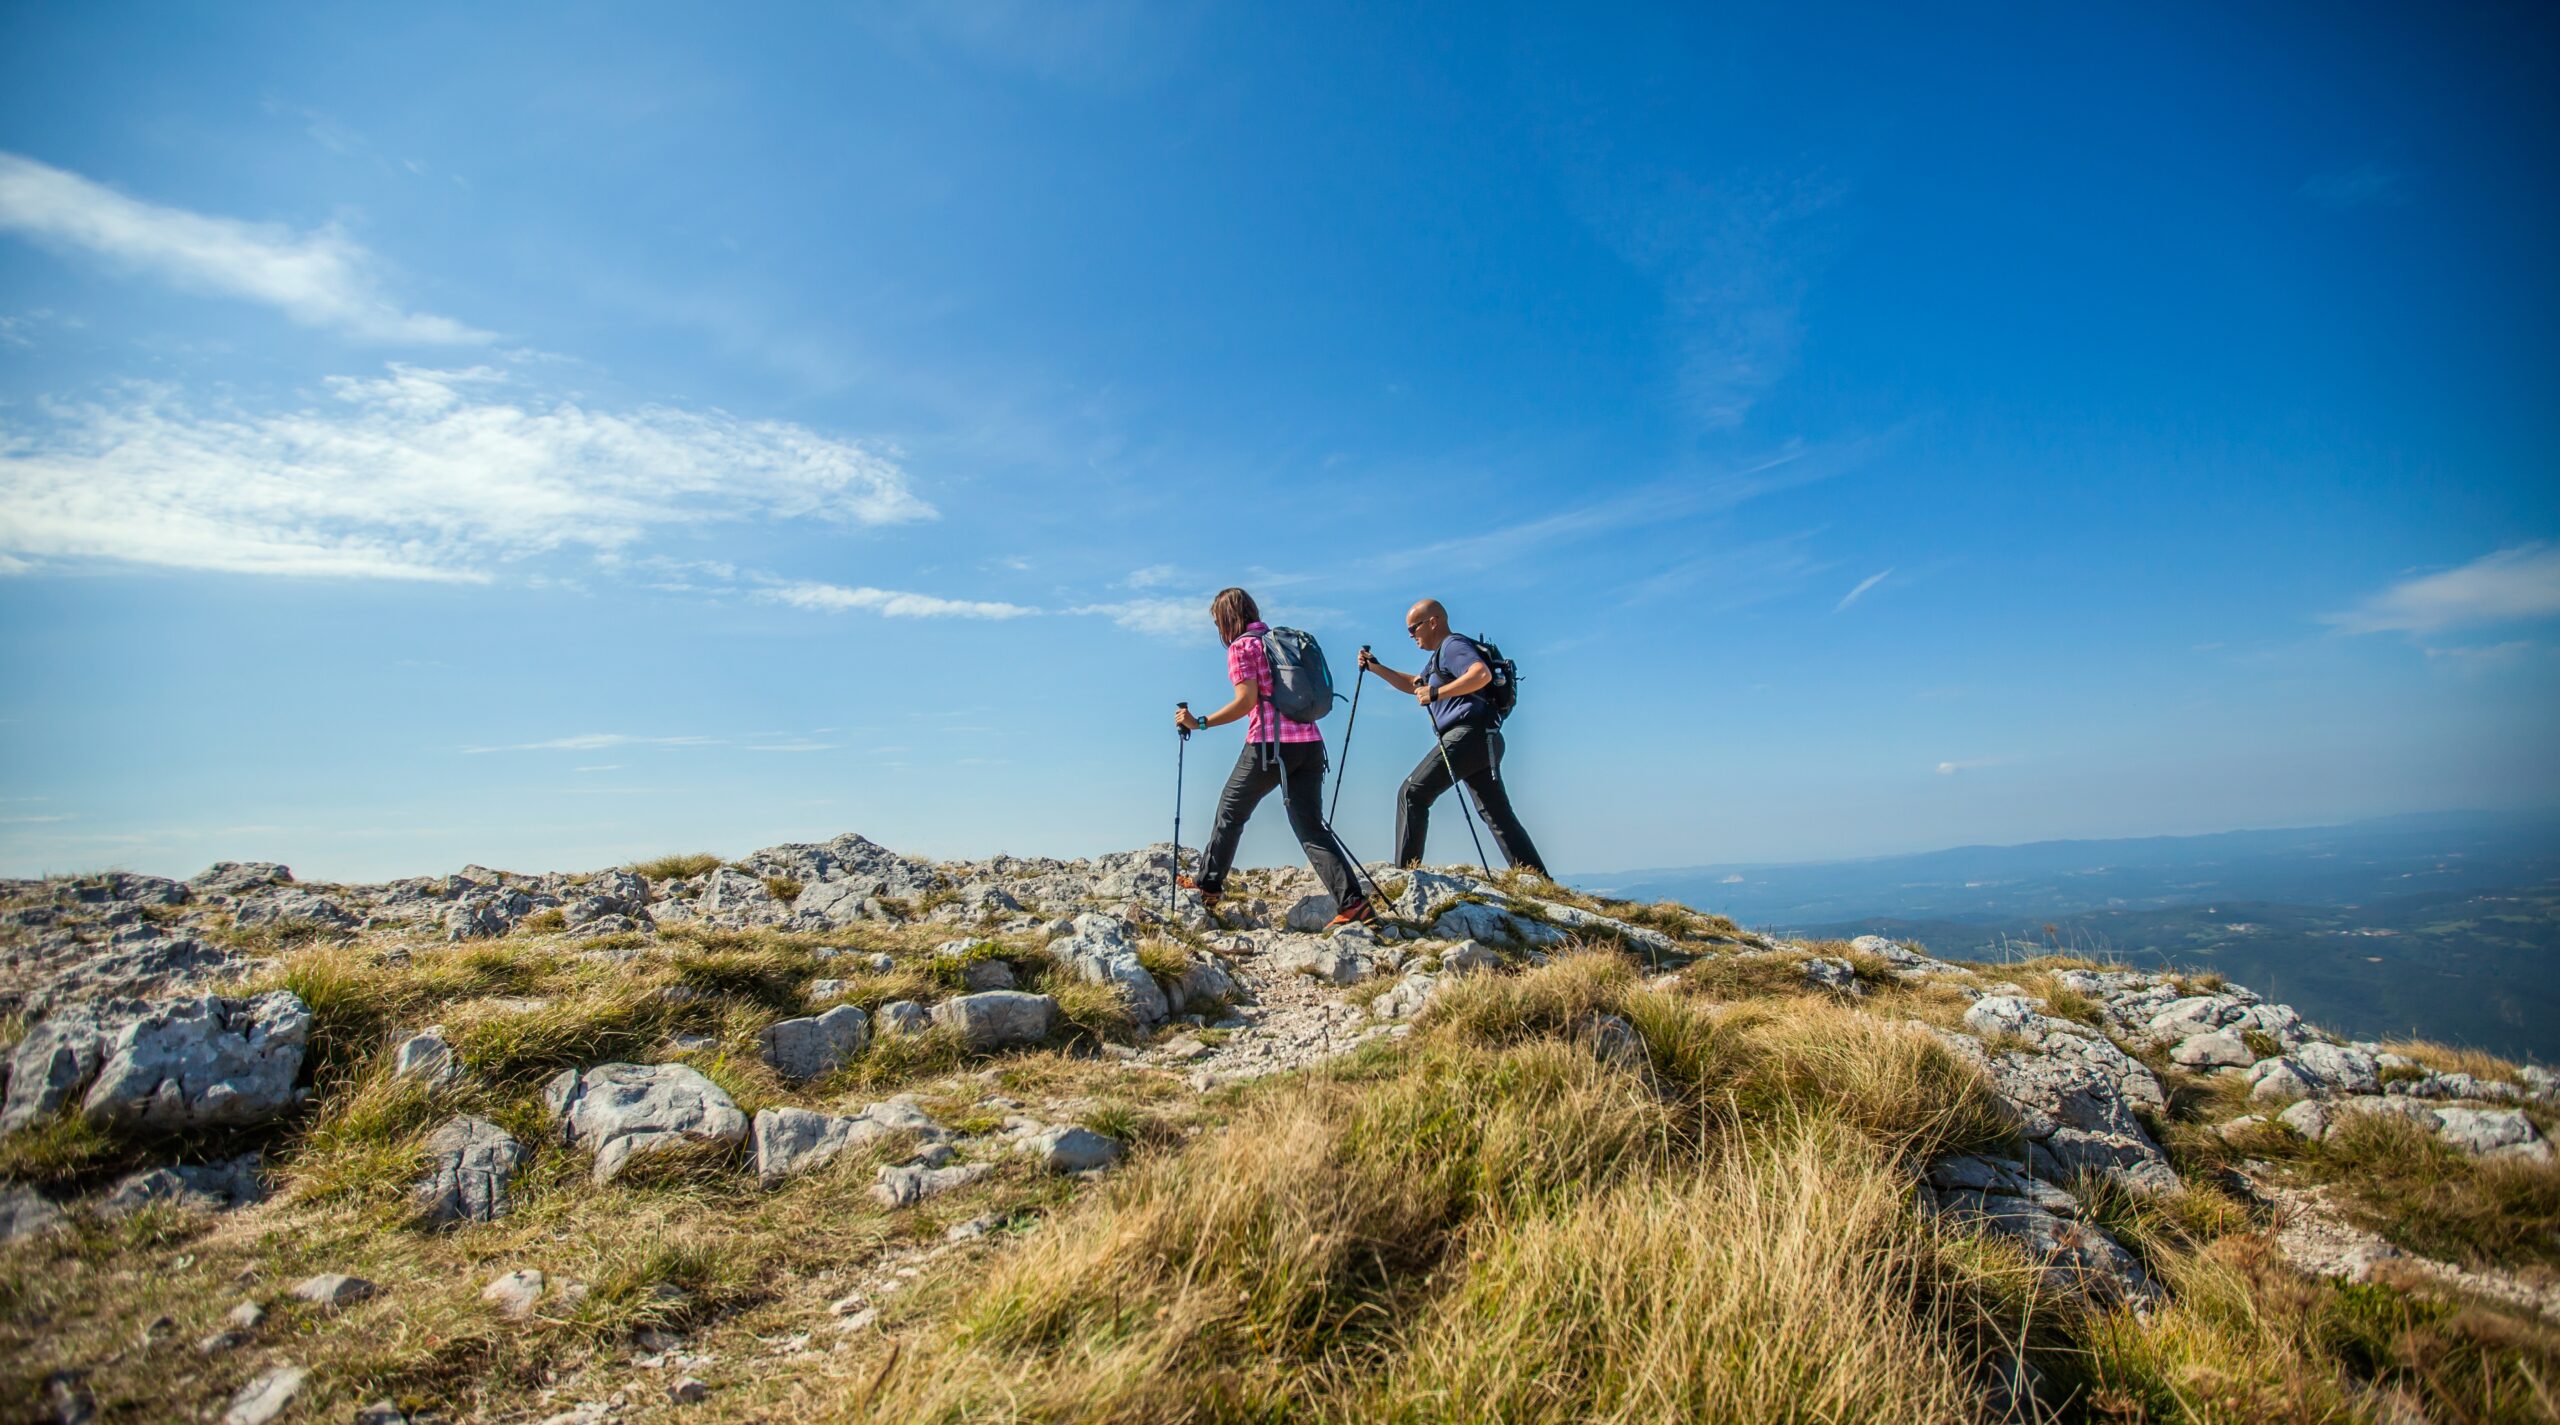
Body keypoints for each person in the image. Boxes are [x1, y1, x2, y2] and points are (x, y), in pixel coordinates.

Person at [1175, 588, 1376, 927]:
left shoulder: (1243, 647)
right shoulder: (1277, 641)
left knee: (1230, 811)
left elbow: (1245, 701)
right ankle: (1353, 904)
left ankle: (1208, 886)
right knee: (1311, 826)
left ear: (1226, 620)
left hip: (1269, 747)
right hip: (1310, 744)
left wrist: (1201, 722)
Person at [1357, 599, 1549, 878]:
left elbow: (1480, 674)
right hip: (1486, 738)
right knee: (1497, 814)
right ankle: (1539, 879)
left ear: (1433, 622)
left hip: (1468, 736)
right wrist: (1377, 668)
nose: (1411, 635)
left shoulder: (1453, 646)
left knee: (1412, 793)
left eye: (1414, 628)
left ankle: (1407, 875)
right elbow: (1415, 685)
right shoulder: (1439, 658)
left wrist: (1437, 694)